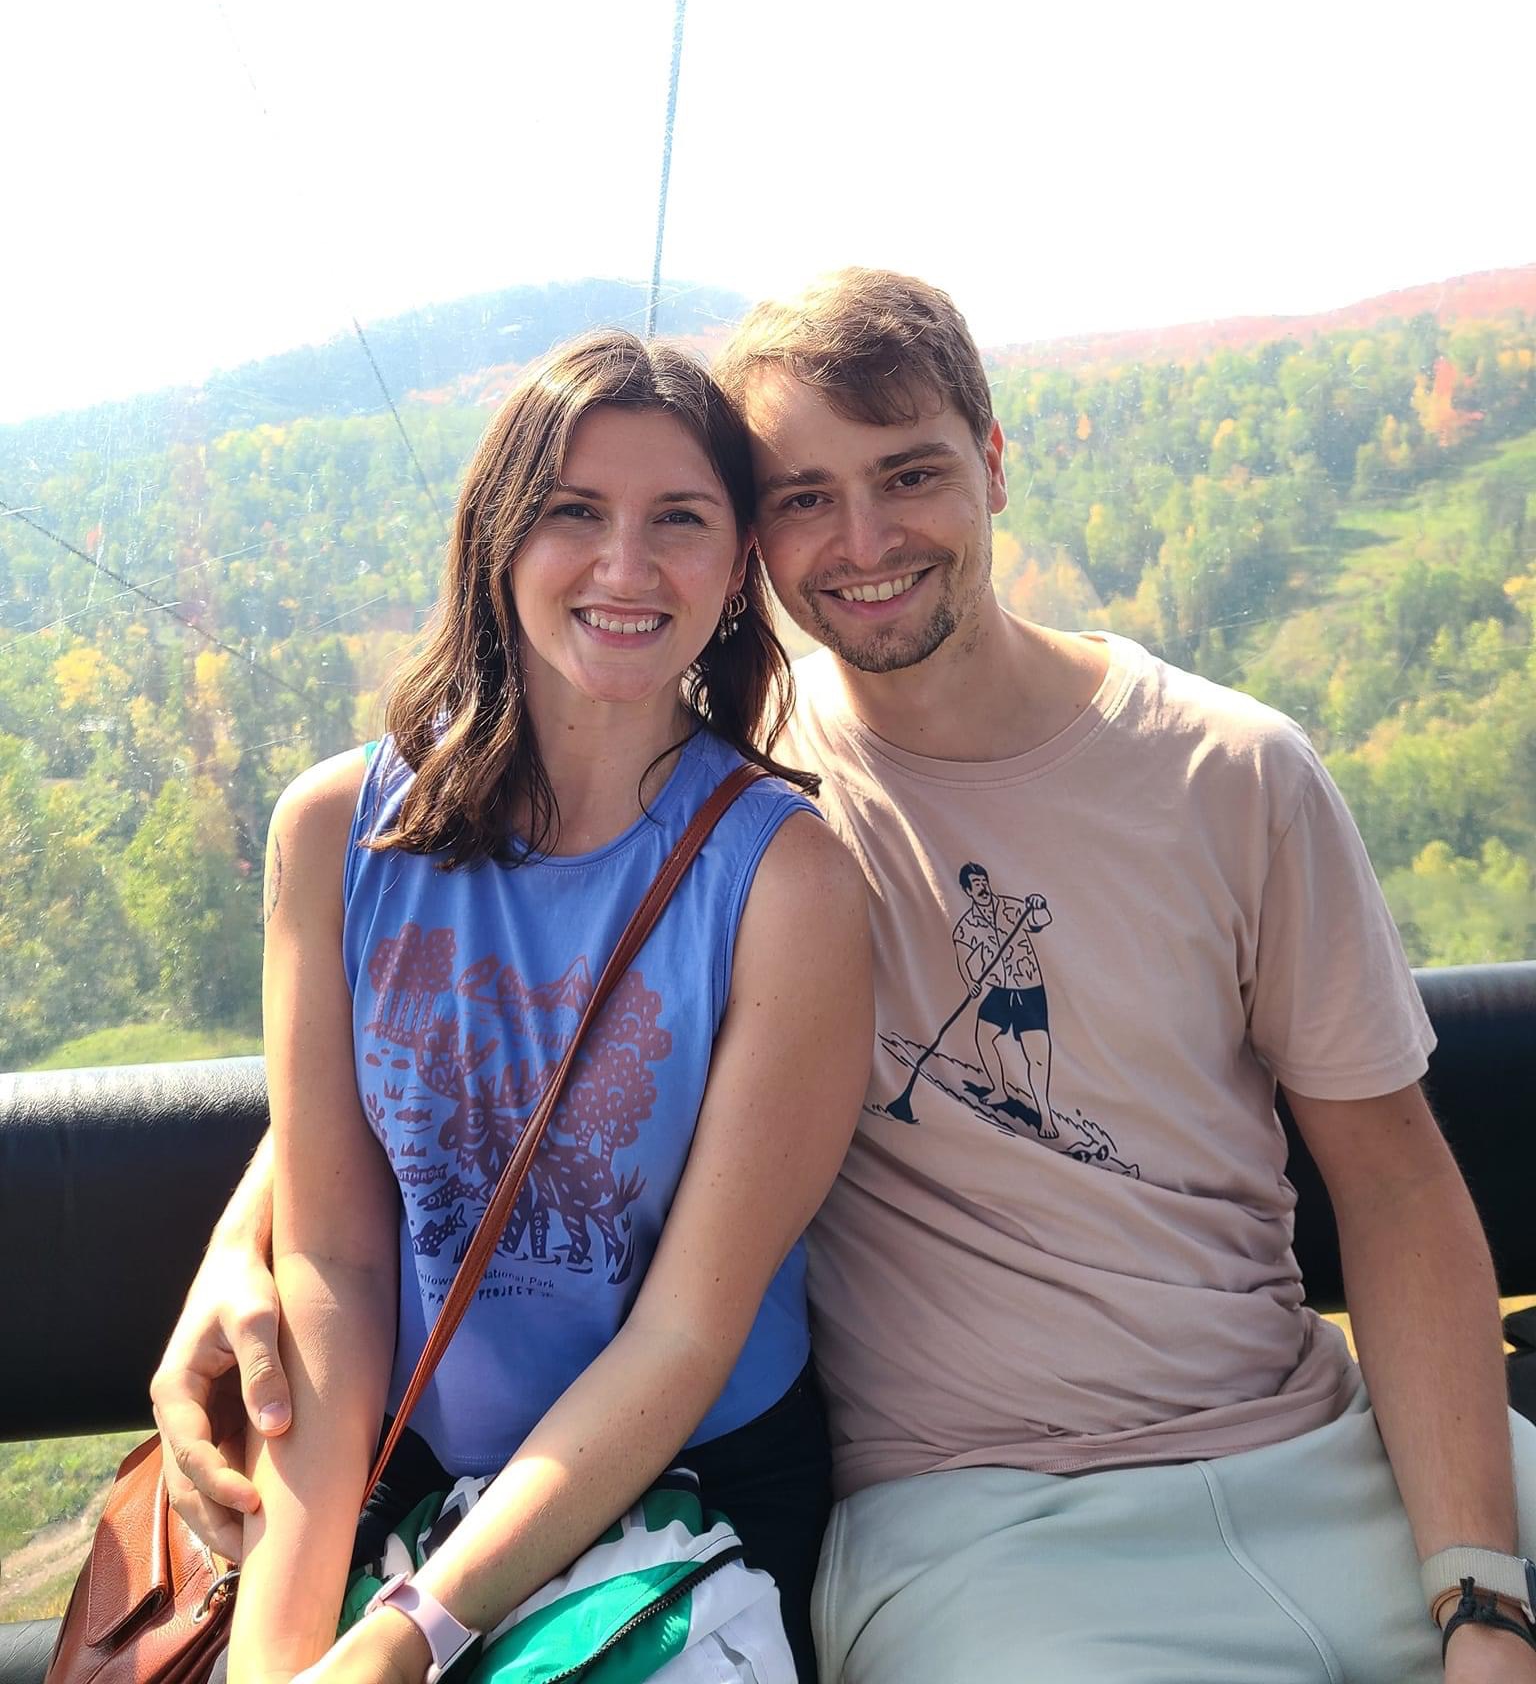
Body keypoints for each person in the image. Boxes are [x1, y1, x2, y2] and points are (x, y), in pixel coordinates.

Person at [156, 273, 1535, 1682]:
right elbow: (453, 1017)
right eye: (804, 495)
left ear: (993, 465)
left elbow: (1400, 1183)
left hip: (1308, 1436)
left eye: (911, 475)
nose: (863, 541)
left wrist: (1481, 1592)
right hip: (991, 1527)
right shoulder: (723, 784)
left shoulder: (1212, 778)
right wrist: (243, 1240)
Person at [207, 329, 872, 1684]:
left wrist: (409, 1637)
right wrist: (280, 1653)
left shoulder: (784, 883)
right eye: (575, 513)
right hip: (404, 1470)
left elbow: (688, 1330)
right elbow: (330, 1255)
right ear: (496, 540)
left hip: (689, 1499)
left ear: (736, 569)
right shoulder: (337, 832)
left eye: (677, 520)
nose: (625, 568)